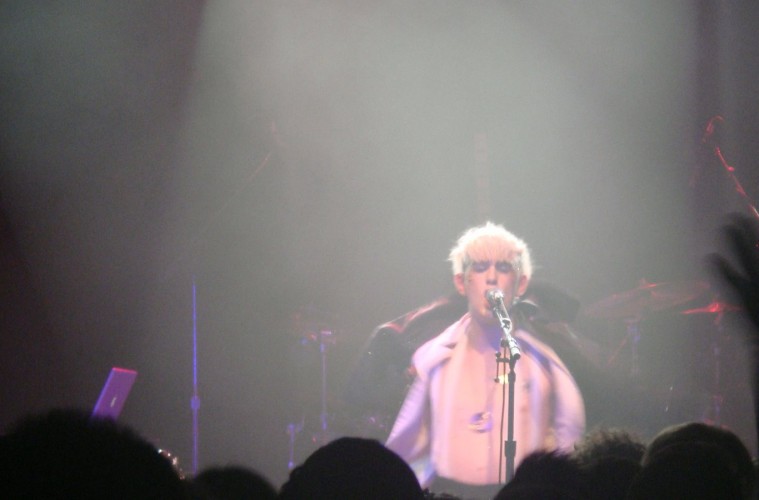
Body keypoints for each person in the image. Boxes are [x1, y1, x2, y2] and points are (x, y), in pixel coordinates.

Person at [385, 222, 585, 497]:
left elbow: (570, 443)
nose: (491, 278)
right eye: (480, 268)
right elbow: (404, 449)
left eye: (503, 268)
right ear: (461, 282)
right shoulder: (436, 360)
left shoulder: (544, 363)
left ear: (521, 283)